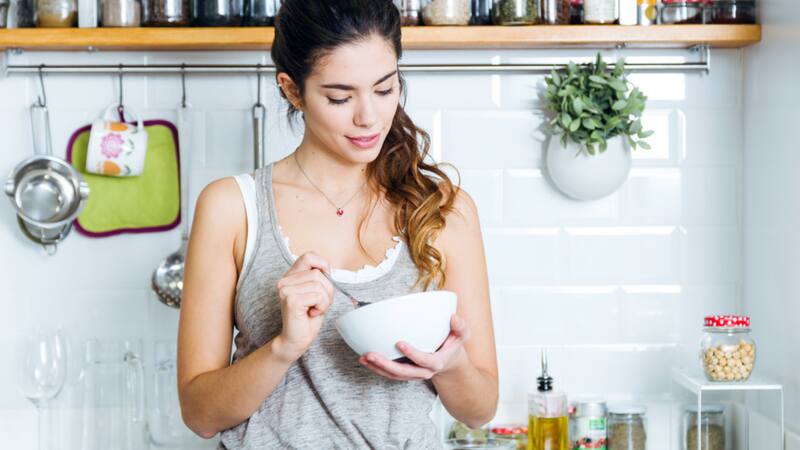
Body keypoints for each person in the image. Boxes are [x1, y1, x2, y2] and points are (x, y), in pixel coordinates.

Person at [177, 0, 498, 448]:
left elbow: (480, 409)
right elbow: (200, 414)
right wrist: (283, 347)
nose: (369, 117)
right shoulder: (232, 207)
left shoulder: (442, 210)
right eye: (340, 97)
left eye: (385, 90)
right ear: (292, 90)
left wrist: (449, 364)